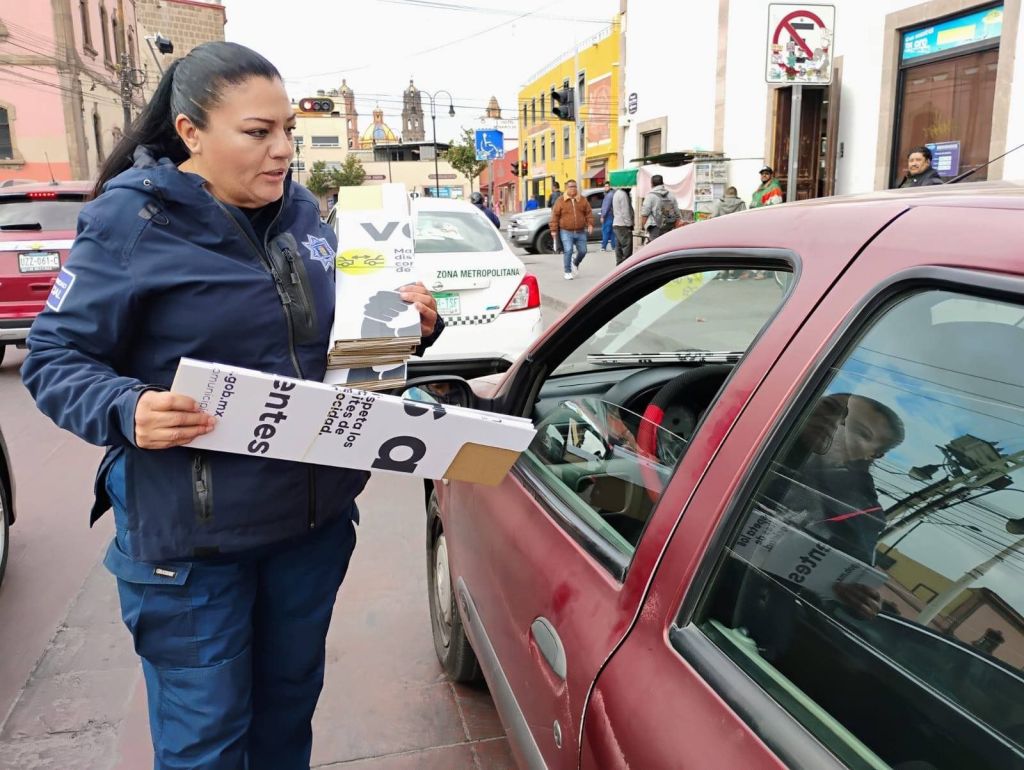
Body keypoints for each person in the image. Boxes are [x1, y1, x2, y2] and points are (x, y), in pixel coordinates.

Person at [20, 42, 444, 770]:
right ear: (191, 132)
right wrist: (130, 407)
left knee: (284, 723)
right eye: (258, 132)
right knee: (207, 745)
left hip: (308, 529)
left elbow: (331, 341)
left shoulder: (304, 215)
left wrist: (408, 326)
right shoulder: (132, 224)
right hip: (192, 550)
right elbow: (54, 361)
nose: (283, 150)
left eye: (286, 129)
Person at [549, 179, 593, 280]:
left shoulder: (582, 200)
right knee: (568, 250)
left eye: (574, 186)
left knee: (583, 251)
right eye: (571, 186)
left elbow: (588, 212)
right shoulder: (560, 200)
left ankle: (575, 262)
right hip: (566, 231)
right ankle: (567, 271)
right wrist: (553, 230)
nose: (573, 188)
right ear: (566, 188)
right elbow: (554, 216)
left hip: (580, 231)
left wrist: (590, 224)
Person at [640, 174, 682, 241]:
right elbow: (677, 214)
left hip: (655, 227)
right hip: (669, 226)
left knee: (655, 248)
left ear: (652, 184)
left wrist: (643, 226)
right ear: (662, 183)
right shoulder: (671, 195)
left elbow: (645, 213)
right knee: (666, 247)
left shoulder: (650, 196)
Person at [611, 185, 635, 266]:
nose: (631, 188)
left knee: (619, 248)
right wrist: (629, 224)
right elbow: (625, 212)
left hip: (617, 224)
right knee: (627, 248)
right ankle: (626, 267)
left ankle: (619, 265)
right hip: (623, 225)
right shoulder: (623, 195)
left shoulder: (617, 193)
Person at [599, 182, 617, 252]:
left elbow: (605, 207)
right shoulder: (612, 194)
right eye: (605, 186)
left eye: (607, 186)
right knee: (612, 232)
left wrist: (602, 216)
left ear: (610, 187)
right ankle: (614, 246)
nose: (606, 188)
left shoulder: (609, 195)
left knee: (605, 231)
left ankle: (603, 246)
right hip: (612, 215)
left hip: (608, 216)